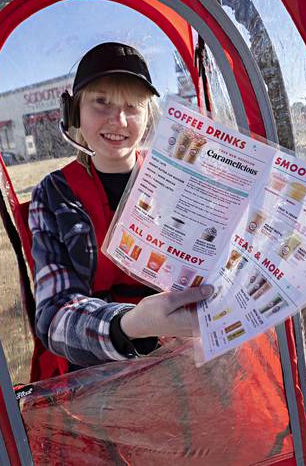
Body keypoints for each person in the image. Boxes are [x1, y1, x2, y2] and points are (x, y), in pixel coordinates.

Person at [28, 42, 213, 372]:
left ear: (147, 116)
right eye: (101, 102)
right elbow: (52, 317)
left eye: (133, 106)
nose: (119, 119)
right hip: (98, 371)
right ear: (75, 112)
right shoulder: (54, 195)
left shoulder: (177, 180)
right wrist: (131, 325)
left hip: (188, 359)